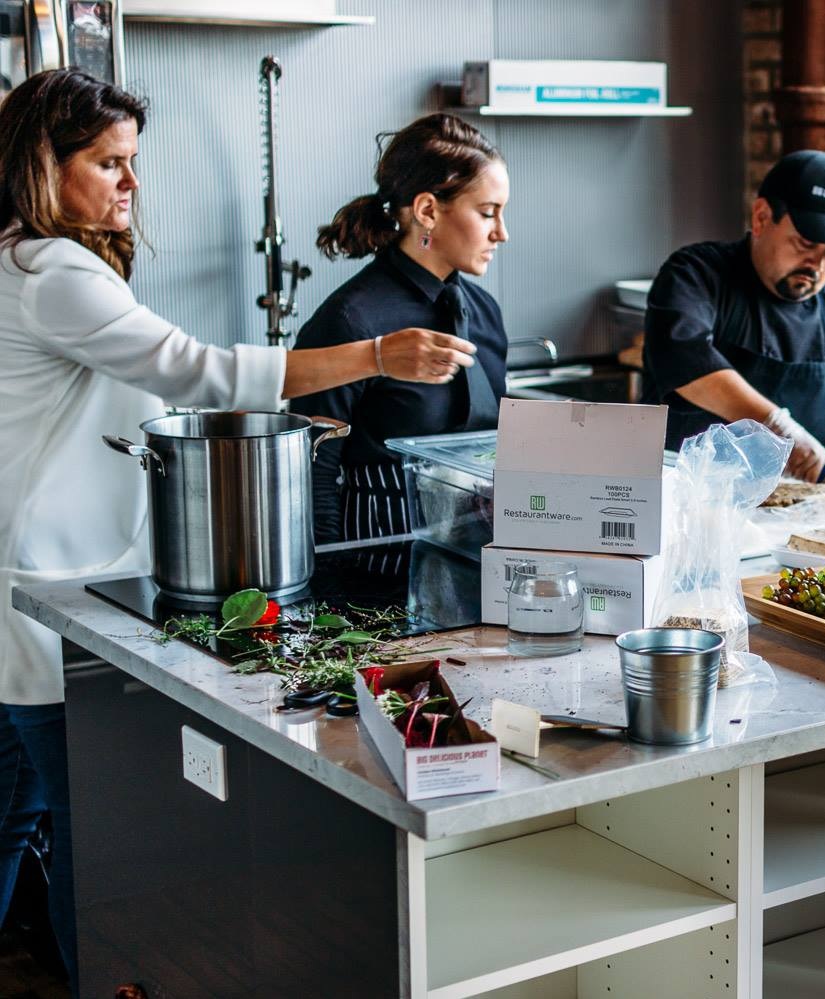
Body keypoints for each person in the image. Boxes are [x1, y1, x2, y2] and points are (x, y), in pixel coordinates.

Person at [0, 70, 475, 989]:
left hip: (29, 578)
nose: (130, 184)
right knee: (86, 834)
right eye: (109, 163)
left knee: (17, 814)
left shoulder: (17, 256)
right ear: (41, 168)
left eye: (133, 162)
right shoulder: (50, 271)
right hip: (41, 589)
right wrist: (377, 356)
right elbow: (196, 371)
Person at [291, 114, 510, 544]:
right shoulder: (349, 320)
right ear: (428, 210)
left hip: (476, 558)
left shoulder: (484, 312)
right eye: (487, 213)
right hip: (374, 569)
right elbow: (313, 475)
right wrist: (333, 587)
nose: (501, 233)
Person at [641, 150, 825, 481]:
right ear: (762, 217)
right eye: (804, 243)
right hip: (688, 498)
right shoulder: (696, 274)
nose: (817, 264)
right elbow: (683, 355)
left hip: (800, 507)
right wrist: (777, 427)